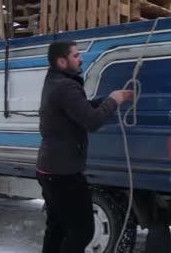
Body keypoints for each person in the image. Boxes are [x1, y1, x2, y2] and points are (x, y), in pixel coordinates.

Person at [36, 41, 133, 253]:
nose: (81, 58)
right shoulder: (65, 86)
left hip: (51, 169)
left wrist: (105, 100)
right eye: (76, 55)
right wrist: (114, 101)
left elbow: (79, 108)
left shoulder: (55, 80)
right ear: (62, 61)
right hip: (64, 174)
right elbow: (92, 121)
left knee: (58, 227)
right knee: (82, 230)